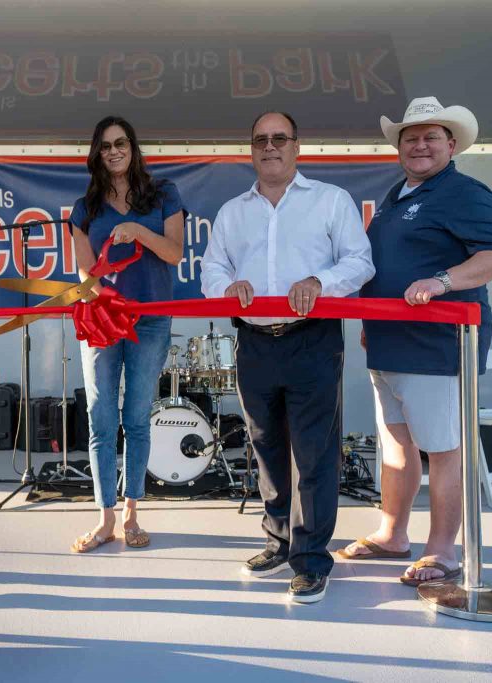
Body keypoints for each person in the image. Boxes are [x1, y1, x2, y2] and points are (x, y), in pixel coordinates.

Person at [200, 111, 375, 603]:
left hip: (312, 340)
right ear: (250, 149)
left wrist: (320, 284)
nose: (270, 146)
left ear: (298, 146)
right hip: (254, 343)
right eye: (260, 139)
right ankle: (278, 541)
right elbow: (211, 269)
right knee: (266, 449)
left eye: (280, 138)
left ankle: (312, 560)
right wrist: (225, 286)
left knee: (314, 454)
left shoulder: (330, 201)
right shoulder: (233, 211)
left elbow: (359, 262)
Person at [340, 97, 492, 585]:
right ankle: (393, 534)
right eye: (410, 137)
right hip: (390, 347)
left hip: (439, 347)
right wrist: (372, 328)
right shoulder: (398, 195)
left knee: (443, 450)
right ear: (398, 147)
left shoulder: (464, 193)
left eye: (430, 136)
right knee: (396, 447)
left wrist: (442, 281)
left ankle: (443, 552)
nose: (419, 145)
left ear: (451, 144)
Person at [69, 115, 186, 553]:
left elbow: (174, 254)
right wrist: (102, 297)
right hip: (102, 320)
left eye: (121, 143)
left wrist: (139, 231)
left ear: (133, 147)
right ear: (96, 153)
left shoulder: (164, 195)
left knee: (137, 417)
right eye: (105, 145)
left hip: (151, 321)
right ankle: (104, 519)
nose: (114, 151)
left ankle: (133, 513)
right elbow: (84, 272)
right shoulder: (85, 209)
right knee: (100, 418)